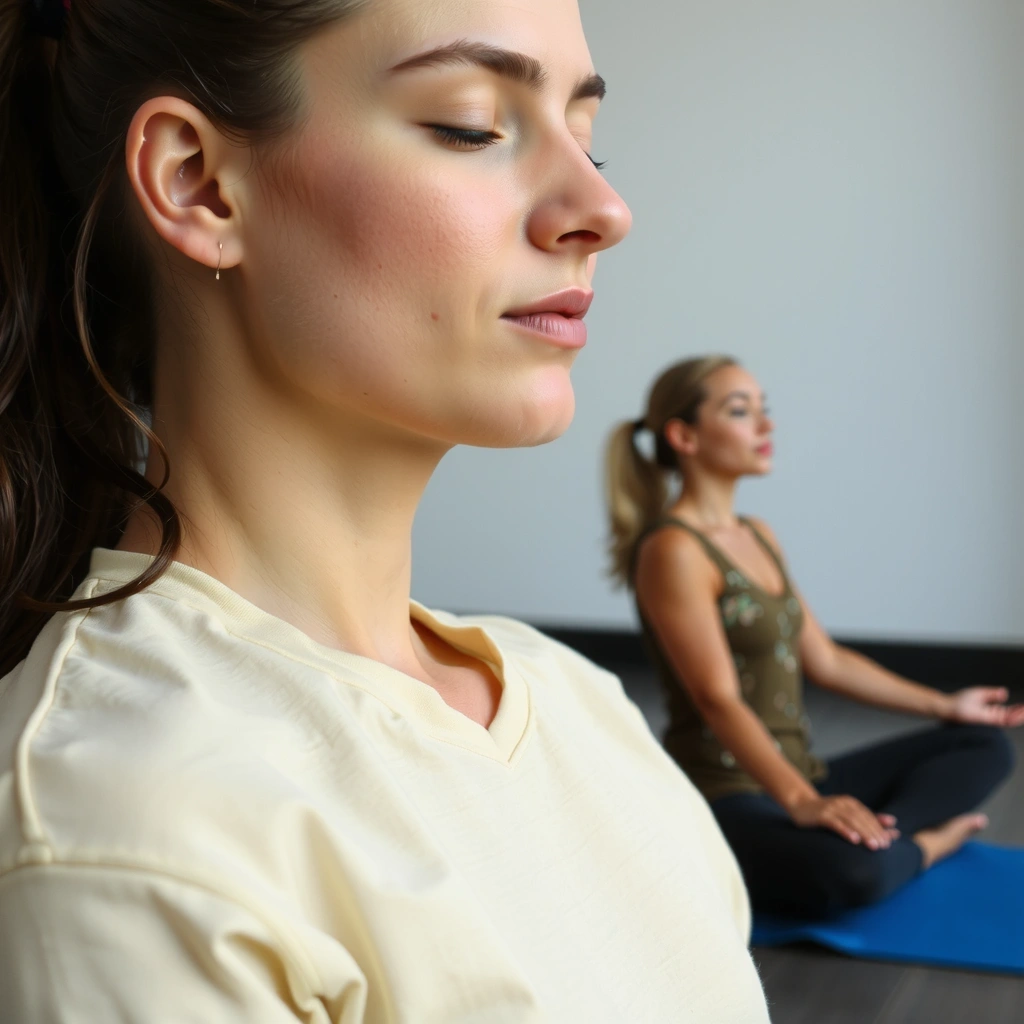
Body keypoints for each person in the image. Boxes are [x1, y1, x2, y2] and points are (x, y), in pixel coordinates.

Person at [0, 2, 772, 1020]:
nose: (601, 208)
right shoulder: (130, 819)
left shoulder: (581, 709)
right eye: (470, 125)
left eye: (587, 137)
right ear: (197, 182)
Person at [605, 355, 1022, 919]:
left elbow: (824, 660)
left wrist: (947, 703)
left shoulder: (757, 533)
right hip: (725, 793)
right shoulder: (672, 550)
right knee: (851, 875)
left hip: (803, 771)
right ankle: (927, 845)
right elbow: (716, 697)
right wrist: (801, 802)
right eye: (739, 411)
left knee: (982, 745)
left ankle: (877, 835)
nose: (765, 425)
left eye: (763, 409)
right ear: (684, 435)